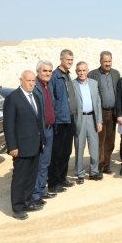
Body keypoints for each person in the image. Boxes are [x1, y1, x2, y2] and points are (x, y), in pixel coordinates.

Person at [4, 70, 45, 220]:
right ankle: (17, 207)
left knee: (31, 177)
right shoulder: (13, 98)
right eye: (28, 80)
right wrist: (12, 146)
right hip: (21, 147)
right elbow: (8, 125)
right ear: (21, 80)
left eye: (33, 81)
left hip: (35, 145)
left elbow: (39, 121)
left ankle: (27, 201)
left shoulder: (35, 97)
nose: (31, 83)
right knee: (20, 178)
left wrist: (42, 141)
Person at [48, 49, 77, 193]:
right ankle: (53, 183)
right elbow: (51, 100)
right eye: (67, 60)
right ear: (61, 59)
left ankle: (62, 178)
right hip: (59, 121)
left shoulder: (68, 75)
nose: (70, 62)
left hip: (70, 119)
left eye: (71, 60)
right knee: (56, 153)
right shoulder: (55, 76)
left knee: (66, 151)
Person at [88, 51, 120, 174]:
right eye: (105, 61)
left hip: (112, 113)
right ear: (100, 61)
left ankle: (107, 165)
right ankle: (99, 166)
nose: (107, 64)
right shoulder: (93, 74)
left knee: (110, 141)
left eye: (109, 61)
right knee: (99, 141)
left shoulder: (116, 74)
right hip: (100, 112)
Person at [29, 60, 56, 204]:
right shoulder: (34, 87)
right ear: (38, 72)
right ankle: (34, 195)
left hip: (50, 130)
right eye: (45, 71)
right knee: (37, 164)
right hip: (40, 132)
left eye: (50, 71)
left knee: (45, 163)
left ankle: (41, 190)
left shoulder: (49, 85)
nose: (48, 73)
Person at [72, 62, 103, 184]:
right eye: (79, 70)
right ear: (76, 72)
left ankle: (94, 172)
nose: (81, 73)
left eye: (84, 70)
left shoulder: (94, 83)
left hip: (92, 118)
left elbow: (98, 103)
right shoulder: (72, 84)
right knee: (79, 147)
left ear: (87, 71)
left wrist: (99, 120)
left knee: (94, 147)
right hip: (79, 119)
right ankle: (80, 174)